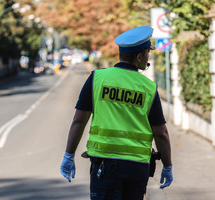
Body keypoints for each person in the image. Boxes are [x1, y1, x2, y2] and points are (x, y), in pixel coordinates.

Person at [60, 26, 173, 200]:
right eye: (147, 53)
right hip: (137, 168)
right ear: (139, 56)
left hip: (104, 167)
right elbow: (161, 133)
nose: (148, 57)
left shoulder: (97, 78)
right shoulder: (148, 88)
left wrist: (69, 155)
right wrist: (167, 166)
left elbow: (78, 121)